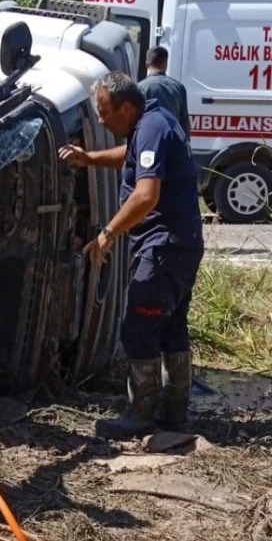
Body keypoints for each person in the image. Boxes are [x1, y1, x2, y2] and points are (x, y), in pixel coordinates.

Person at [58, 71, 204, 439]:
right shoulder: (154, 123)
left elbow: (145, 195)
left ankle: (141, 414)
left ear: (126, 107)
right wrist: (90, 158)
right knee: (170, 329)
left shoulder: (152, 127)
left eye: (104, 113)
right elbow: (134, 155)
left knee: (139, 328)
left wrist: (108, 233)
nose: (102, 120)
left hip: (164, 247)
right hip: (181, 246)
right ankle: (173, 415)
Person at [138, 46, 190, 137]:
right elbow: (184, 123)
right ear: (165, 64)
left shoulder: (140, 87)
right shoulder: (179, 87)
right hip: (172, 141)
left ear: (146, 64)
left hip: (149, 140)